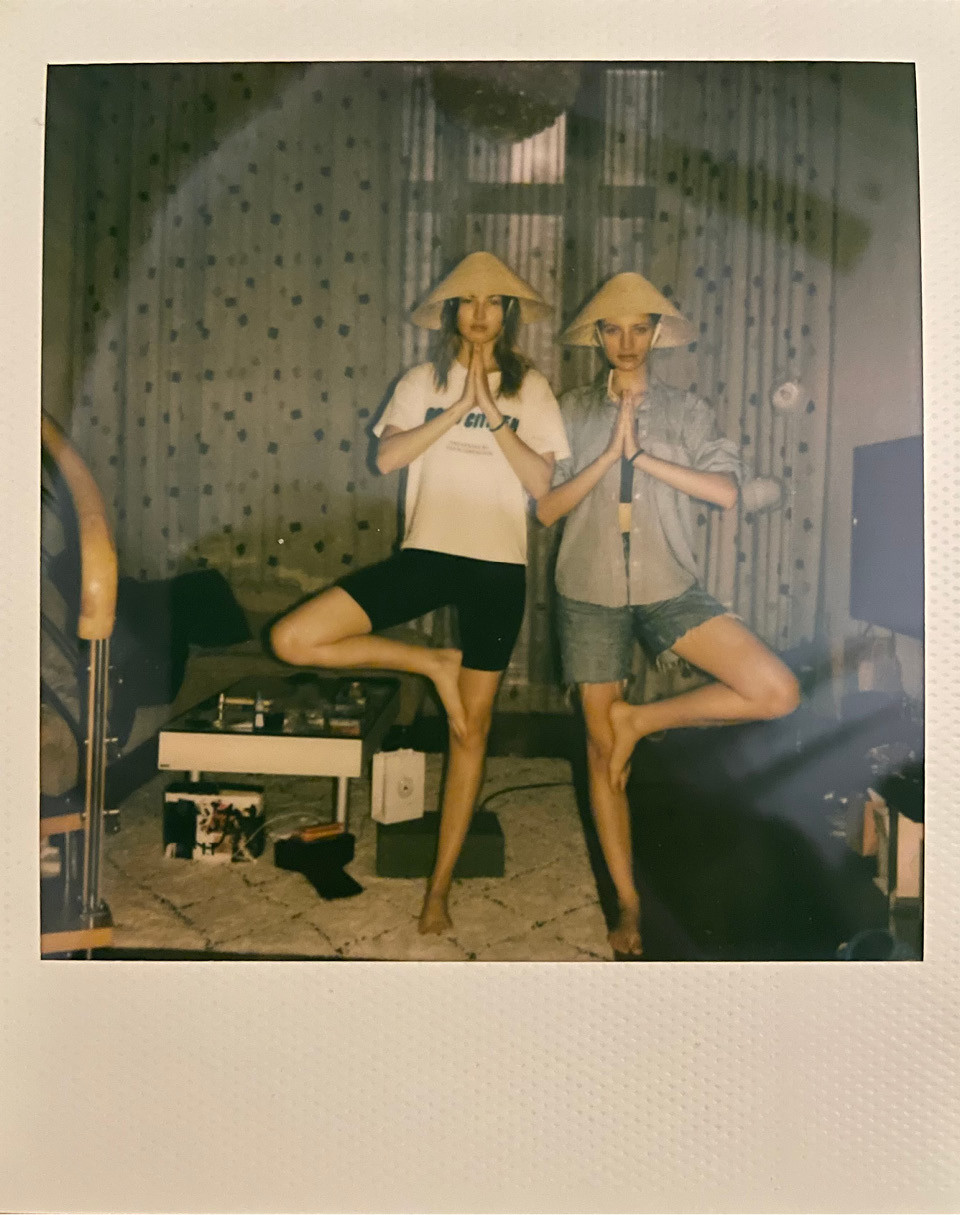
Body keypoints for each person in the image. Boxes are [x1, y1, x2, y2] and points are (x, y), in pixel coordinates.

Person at [270, 251, 570, 934]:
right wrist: (458, 405)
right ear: (451, 312)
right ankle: (431, 662)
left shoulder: (532, 389)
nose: (481, 313)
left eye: (494, 302)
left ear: (509, 313)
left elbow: (542, 485)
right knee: (293, 638)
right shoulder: (419, 381)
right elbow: (386, 458)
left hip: (497, 567)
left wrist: (492, 412)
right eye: (468, 301)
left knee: (471, 730)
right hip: (427, 555)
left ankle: (439, 888)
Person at [537, 272, 800, 957]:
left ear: (657, 334)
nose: (626, 341)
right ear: (598, 336)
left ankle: (641, 720)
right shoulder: (568, 409)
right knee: (604, 758)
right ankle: (628, 902)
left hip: (669, 583)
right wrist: (607, 454)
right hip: (587, 587)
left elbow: (725, 492)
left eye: (639, 327)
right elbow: (546, 503)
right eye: (612, 328)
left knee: (776, 691)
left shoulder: (688, 411)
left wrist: (643, 458)